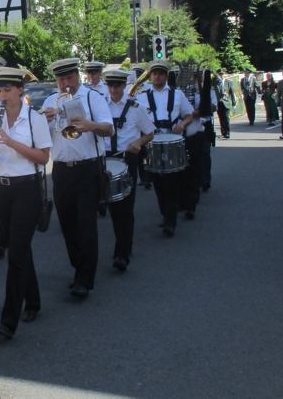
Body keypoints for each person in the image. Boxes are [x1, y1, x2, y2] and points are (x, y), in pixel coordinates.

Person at [0, 67, 50, 338]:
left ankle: (8, 321)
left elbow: (43, 157)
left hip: (27, 189)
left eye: (7, 90)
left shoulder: (35, 118)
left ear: (20, 90)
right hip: (0, 188)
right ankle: (33, 301)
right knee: (20, 247)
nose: (2, 95)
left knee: (17, 253)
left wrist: (10, 142)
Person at [41, 58, 113, 298]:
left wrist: (90, 125)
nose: (65, 83)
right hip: (61, 170)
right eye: (61, 79)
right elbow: (40, 137)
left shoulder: (93, 97)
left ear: (77, 76)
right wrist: (43, 121)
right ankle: (79, 267)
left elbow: (109, 129)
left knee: (86, 224)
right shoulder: (50, 101)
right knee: (68, 225)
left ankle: (84, 278)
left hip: (88, 168)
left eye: (69, 78)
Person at [101, 69, 155, 271]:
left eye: (117, 85)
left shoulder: (136, 107)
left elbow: (149, 132)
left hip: (126, 159)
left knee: (124, 208)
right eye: (110, 85)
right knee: (107, 206)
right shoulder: (100, 107)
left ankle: (122, 252)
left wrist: (138, 142)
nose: (113, 89)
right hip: (104, 160)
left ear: (124, 85)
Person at [136, 60, 193, 237]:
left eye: (161, 74)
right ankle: (165, 213)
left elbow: (189, 115)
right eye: (154, 74)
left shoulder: (177, 94)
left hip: (173, 141)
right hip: (152, 143)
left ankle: (170, 221)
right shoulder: (141, 97)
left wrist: (182, 125)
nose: (157, 77)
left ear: (166, 76)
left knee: (171, 182)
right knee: (157, 182)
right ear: (151, 76)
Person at [180, 72, 217, 220]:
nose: (197, 80)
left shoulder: (208, 91)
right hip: (183, 132)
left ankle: (204, 180)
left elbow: (212, 108)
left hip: (201, 128)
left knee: (202, 158)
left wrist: (200, 105)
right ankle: (183, 199)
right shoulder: (183, 92)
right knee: (183, 170)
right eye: (196, 77)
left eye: (200, 77)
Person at [216, 71, 234, 139]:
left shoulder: (229, 82)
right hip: (219, 102)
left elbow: (231, 92)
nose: (221, 76)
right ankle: (223, 132)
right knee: (221, 118)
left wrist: (234, 102)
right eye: (220, 74)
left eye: (222, 74)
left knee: (226, 118)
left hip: (226, 102)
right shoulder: (216, 82)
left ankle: (227, 133)